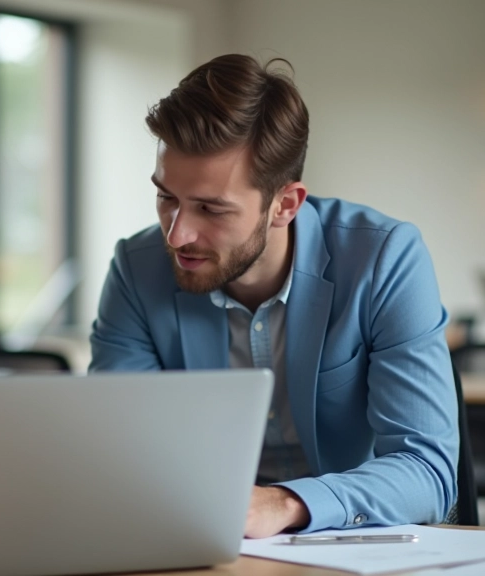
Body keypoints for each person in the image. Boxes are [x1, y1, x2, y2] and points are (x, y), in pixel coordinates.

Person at [90, 54, 458, 537]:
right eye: (166, 198)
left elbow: (426, 470)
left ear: (285, 204)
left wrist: (287, 503)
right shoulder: (136, 270)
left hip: (351, 542)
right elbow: (115, 454)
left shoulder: (385, 259)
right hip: (198, 541)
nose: (177, 235)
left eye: (209, 208)